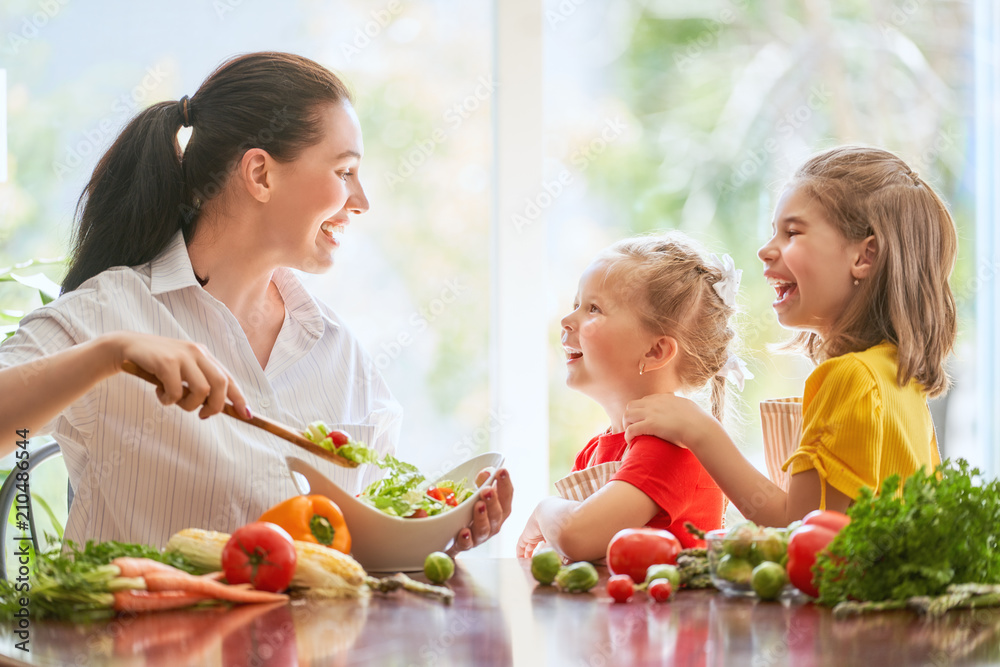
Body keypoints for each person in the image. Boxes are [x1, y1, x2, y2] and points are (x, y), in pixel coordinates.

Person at [0, 52, 511, 551]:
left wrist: (440, 528)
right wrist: (108, 355)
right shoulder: (110, 315)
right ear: (261, 174)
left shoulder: (337, 351)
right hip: (138, 635)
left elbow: (362, 545)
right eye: (344, 171)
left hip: (315, 637)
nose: (361, 201)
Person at [624, 146, 956, 526]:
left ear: (865, 257)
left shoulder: (849, 378)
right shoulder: (898, 374)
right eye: (773, 232)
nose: (765, 251)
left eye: (793, 232)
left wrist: (700, 431)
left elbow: (799, 527)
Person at [516, 232, 751, 561]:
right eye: (575, 305)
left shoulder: (670, 449)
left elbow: (576, 535)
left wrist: (544, 510)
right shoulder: (594, 452)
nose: (567, 321)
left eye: (593, 309)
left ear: (656, 351)